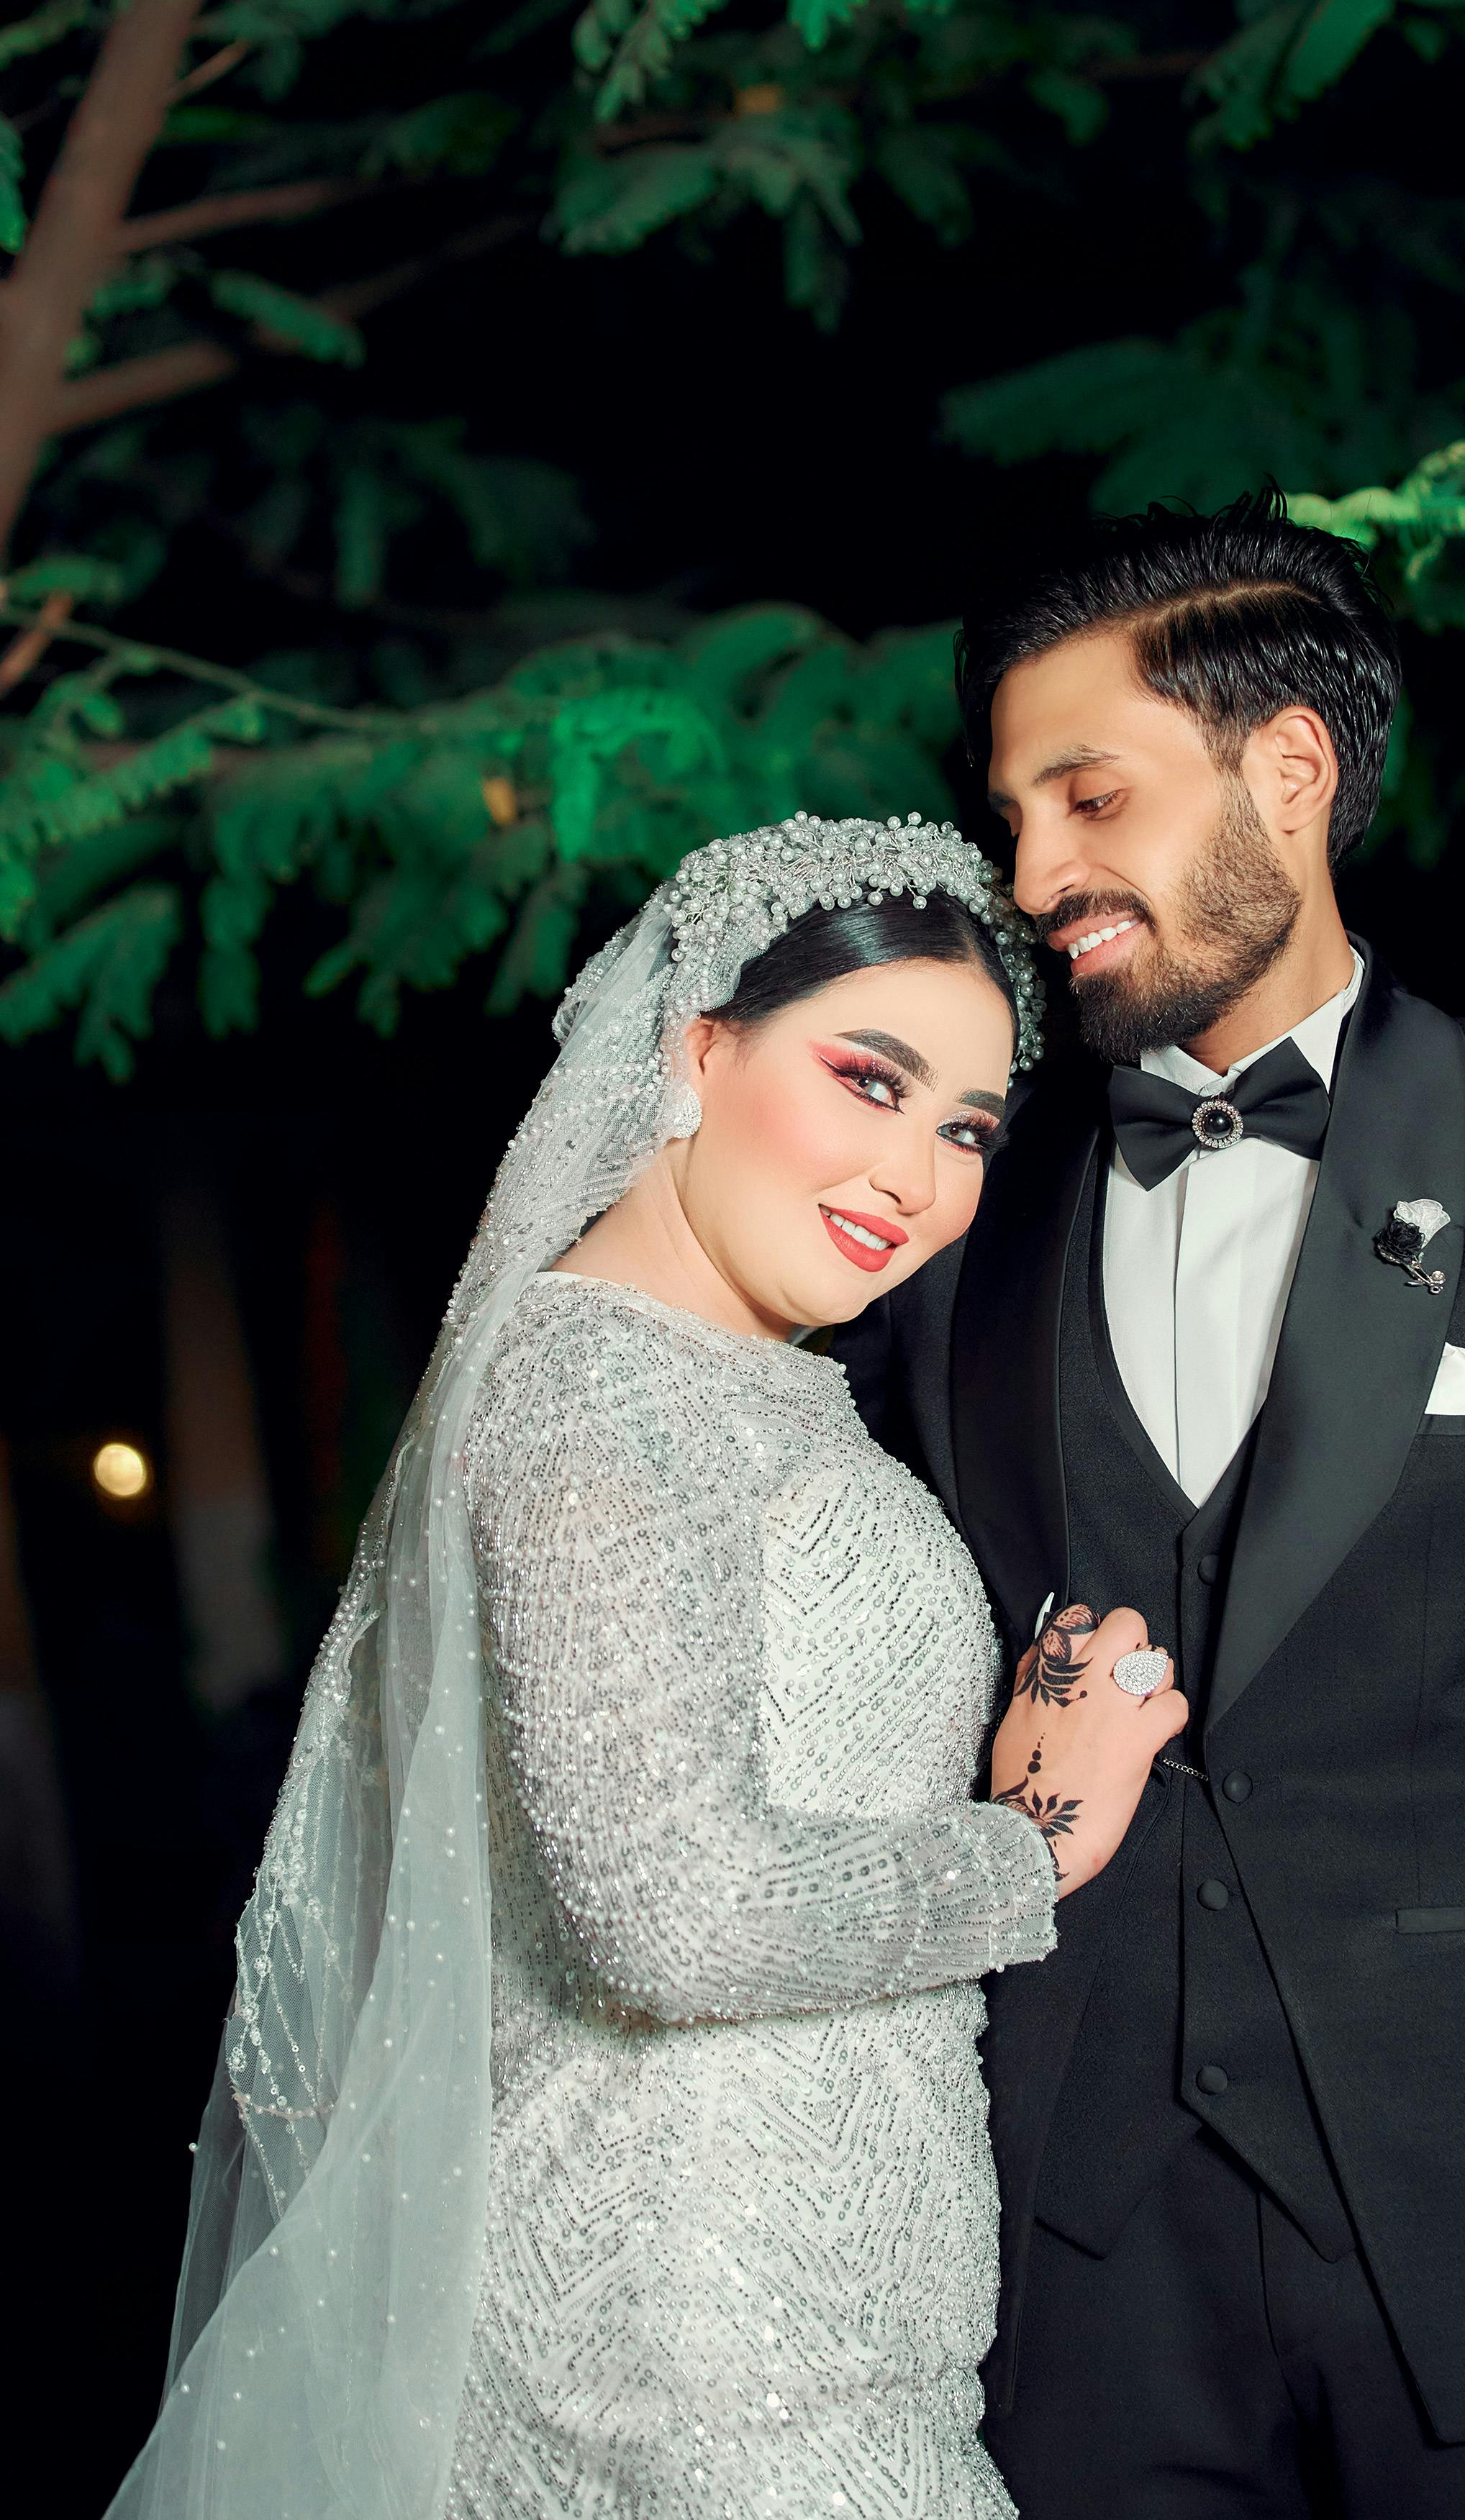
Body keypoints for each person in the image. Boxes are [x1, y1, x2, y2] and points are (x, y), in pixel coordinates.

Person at [836, 499, 1465, 2520]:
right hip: (1059, 2280)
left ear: (1291, 769)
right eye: (1010, 814)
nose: (1032, 876)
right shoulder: (957, 1241)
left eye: (1087, 796)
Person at [106, 814, 1186, 2520]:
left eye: (966, 1124)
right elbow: (671, 1911)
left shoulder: (723, 1377)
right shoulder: (596, 1395)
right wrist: (1040, 1835)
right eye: (867, 1077)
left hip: (816, 2314)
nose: (916, 1175)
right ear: (695, 1051)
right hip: (697, 2350)